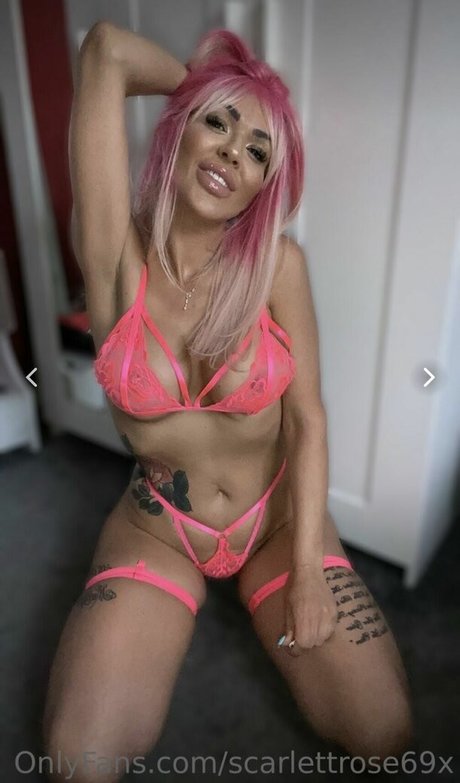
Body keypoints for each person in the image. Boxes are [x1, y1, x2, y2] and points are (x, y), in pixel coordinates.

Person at [42, 20, 413, 781]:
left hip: (276, 521)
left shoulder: (278, 267)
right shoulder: (114, 255)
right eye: (217, 124)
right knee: (75, 761)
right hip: (160, 529)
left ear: (263, 186)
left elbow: (306, 420)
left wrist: (308, 571)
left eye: (257, 152)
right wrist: (209, 88)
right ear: (180, 128)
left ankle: (273, 583)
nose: (232, 154)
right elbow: (106, 49)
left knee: (385, 732)